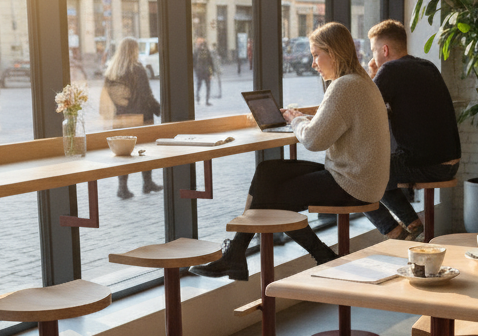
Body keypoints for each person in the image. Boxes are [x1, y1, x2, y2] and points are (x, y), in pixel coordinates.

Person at [191, 22, 391, 280]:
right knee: (268, 172)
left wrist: (297, 120)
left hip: (353, 183)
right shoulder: (360, 81)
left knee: (270, 195)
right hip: (361, 178)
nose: (313, 63)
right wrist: (302, 118)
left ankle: (320, 256)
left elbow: (312, 141)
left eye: (316, 55)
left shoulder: (344, 86)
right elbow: (333, 125)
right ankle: (236, 256)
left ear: (334, 53)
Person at [363, 19, 462, 241]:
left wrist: (373, 75)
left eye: (373, 51)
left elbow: (364, 110)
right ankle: (412, 223)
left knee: (357, 174)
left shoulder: (390, 69)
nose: (373, 57)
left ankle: (396, 233)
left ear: (385, 49)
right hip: (450, 162)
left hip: (427, 166)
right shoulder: (427, 66)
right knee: (379, 169)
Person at [100, 36, 162, 199]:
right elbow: (147, 95)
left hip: (120, 119)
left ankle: (122, 188)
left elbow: (108, 99)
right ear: (134, 51)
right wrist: (161, 110)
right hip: (140, 118)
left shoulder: (112, 71)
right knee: (145, 151)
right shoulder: (138, 70)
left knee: (123, 153)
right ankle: (147, 183)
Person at [193, 38, 214, 105]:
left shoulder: (196, 51)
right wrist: (212, 72)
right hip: (206, 72)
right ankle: (207, 101)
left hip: (199, 72)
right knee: (208, 87)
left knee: (199, 85)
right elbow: (211, 62)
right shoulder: (207, 51)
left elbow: (193, 62)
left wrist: (195, 71)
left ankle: (197, 97)